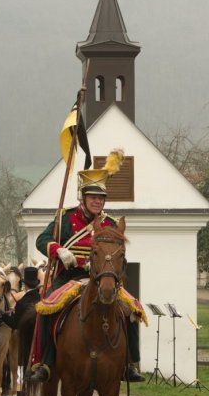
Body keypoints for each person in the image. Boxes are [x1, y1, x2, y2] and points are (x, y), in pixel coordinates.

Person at [28, 164, 145, 383]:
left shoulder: (110, 223)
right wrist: (59, 250)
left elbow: (118, 252)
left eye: (101, 198)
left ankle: (130, 363)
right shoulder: (65, 218)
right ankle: (44, 362)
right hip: (69, 278)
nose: (97, 202)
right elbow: (41, 240)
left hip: (101, 278)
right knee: (46, 309)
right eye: (93, 197)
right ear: (83, 198)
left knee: (132, 308)